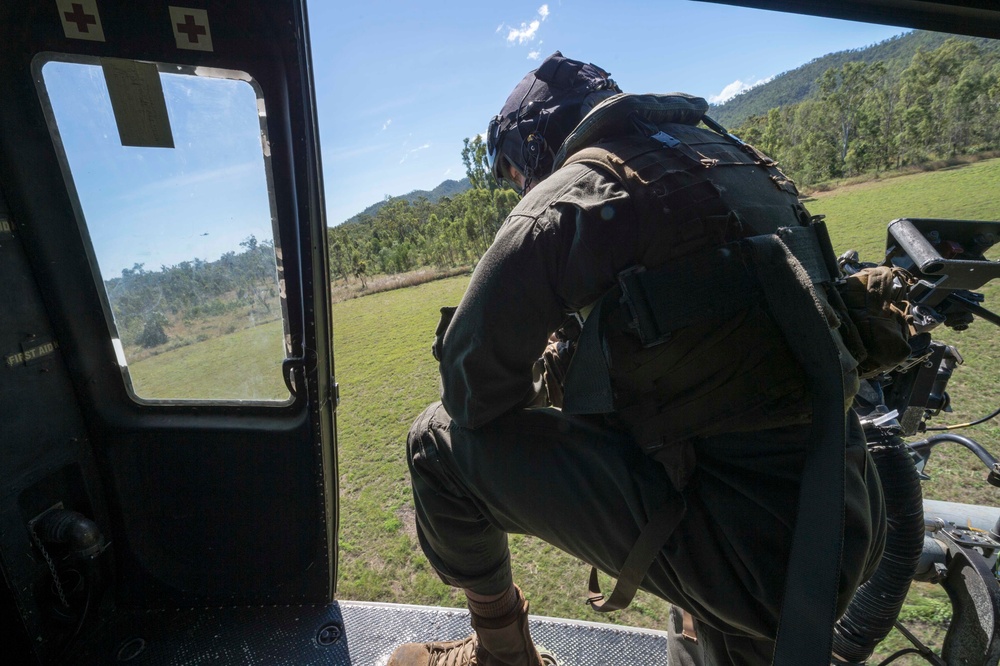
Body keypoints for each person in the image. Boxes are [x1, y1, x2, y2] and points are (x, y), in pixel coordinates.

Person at [387, 52, 886, 666]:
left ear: (538, 142)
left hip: (748, 555)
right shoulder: (733, 160)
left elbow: (472, 397)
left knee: (434, 446)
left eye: (517, 171)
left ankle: (500, 656)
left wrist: (548, 371)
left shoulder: (568, 197)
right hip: (845, 511)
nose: (521, 184)